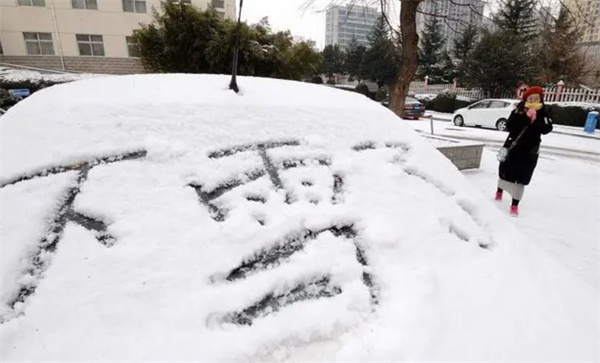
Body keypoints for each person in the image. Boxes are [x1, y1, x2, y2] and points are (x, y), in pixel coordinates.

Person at [496, 86, 553, 216]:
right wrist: (521, 117)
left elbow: (546, 129)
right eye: (530, 98)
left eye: (536, 98)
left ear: (540, 99)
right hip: (513, 146)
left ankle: (514, 205)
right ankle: (499, 191)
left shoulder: (544, 112)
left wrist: (535, 120)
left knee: (522, 176)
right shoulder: (518, 110)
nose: (533, 100)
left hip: (529, 150)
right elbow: (509, 126)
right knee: (505, 171)